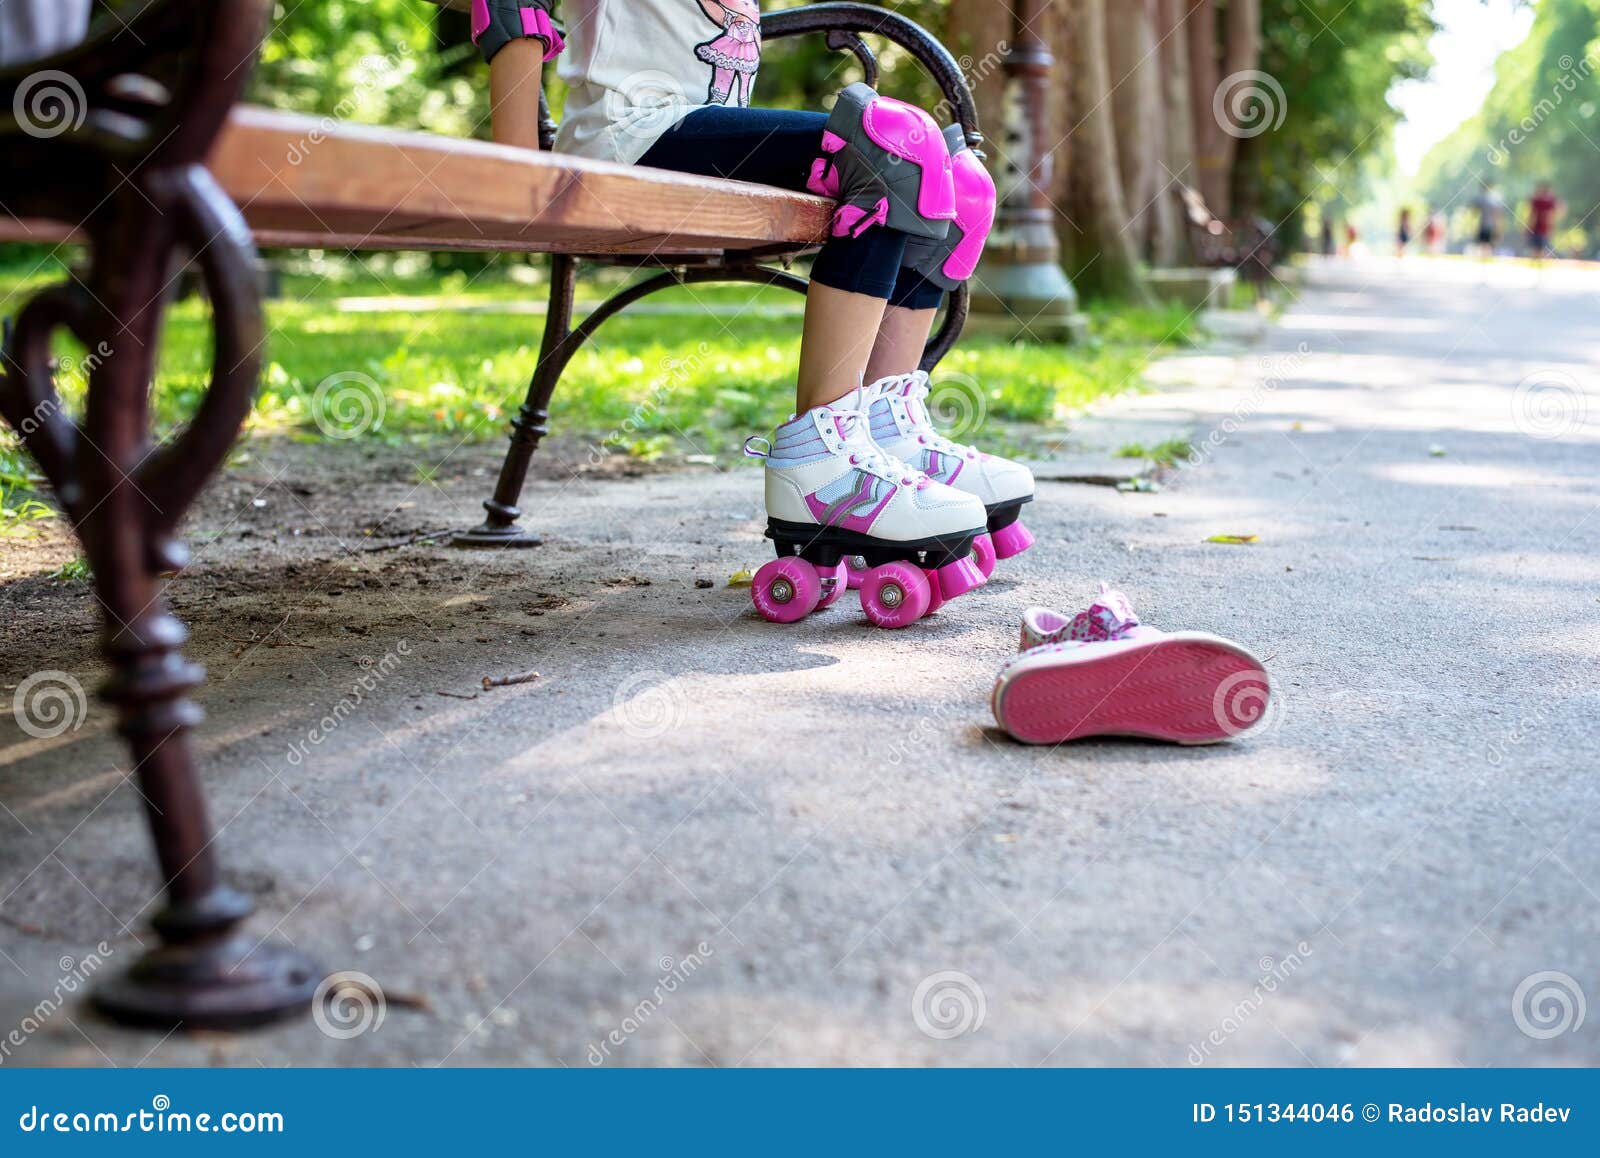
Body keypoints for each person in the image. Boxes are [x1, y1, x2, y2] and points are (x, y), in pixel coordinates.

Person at [474, 0, 1035, 625]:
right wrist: (516, 165)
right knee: (890, 147)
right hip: (626, 137)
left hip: (698, 136)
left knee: (961, 186)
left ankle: (883, 435)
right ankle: (820, 462)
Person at [1527, 182, 1562, 260]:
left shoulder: (1549, 201)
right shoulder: (1538, 201)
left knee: (1541, 249)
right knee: (1537, 249)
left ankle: (1540, 261)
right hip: (1537, 228)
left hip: (1544, 230)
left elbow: (1555, 214)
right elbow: (1532, 215)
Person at [1472, 184, 1504, 257]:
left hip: (1485, 226)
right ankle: (1486, 258)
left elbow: (1474, 213)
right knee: (1488, 246)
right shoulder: (1494, 200)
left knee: (1485, 245)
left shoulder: (1482, 200)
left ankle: (1485, 258)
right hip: (1488, 225)